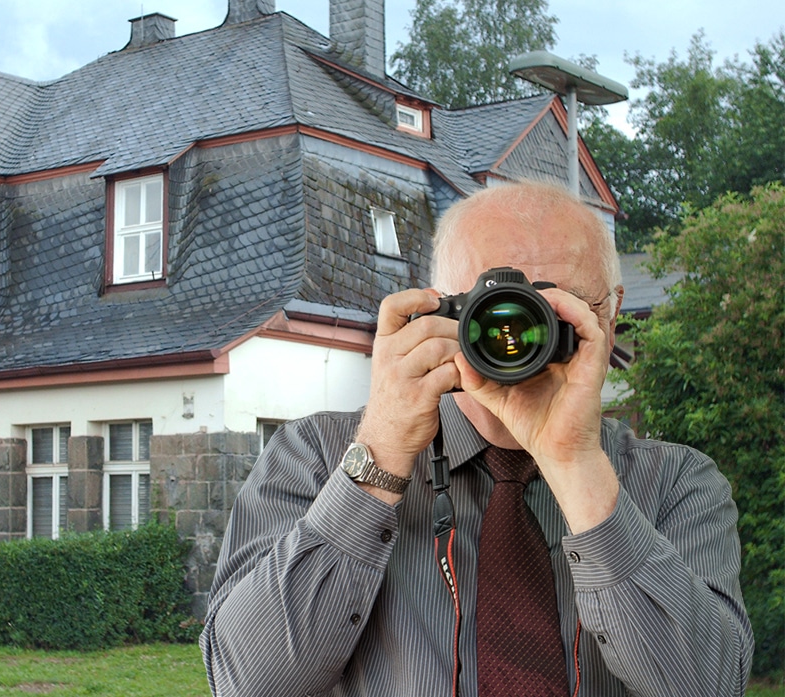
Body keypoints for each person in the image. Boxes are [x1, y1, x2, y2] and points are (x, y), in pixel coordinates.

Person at [201, 181, 752, 696]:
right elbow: (248, 681)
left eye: (556, 309)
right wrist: (381, 456)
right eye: (493, 310)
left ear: (609, 317)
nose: (520, 336)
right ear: (436, 312)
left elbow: (709, 686)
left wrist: (576, 465)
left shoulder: (676, 482)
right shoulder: (316, 457)